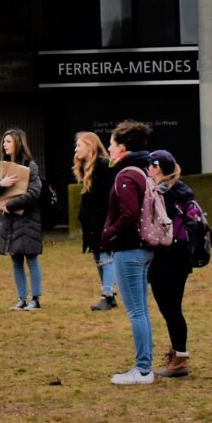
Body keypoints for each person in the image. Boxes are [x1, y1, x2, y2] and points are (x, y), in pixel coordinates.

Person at [100, 121, 160, 386]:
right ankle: (144, 366)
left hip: (129, 249)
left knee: (136, 312)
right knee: (142, 310)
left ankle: (143, 370)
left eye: (111, 144)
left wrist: (108, 235)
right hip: (144, 249)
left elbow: (129, 214)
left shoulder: (125, 175)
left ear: (121, 147)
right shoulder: (143, 171)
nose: (109, 150)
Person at [147, 152, 202, 379]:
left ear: (157, 168)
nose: (148, 169)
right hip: (182, 259)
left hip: (164, 259)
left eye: (150, 166)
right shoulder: (181, 190)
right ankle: (177, 353)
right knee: (174, 309)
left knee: (170, 310)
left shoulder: (162, 194)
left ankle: (179, 360)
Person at [0, 134, 46, 311]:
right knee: (15, 260)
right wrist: (2, 184)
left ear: (17, 144)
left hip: (28, 220)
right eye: (4, 141)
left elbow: (35, 192)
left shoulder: (30, 165)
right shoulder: (4, 168)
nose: (4, 145)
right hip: (11, 222)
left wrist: (11, 205)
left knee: (31, 259)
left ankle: (35, 300)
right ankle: (21, 298)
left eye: (8, 141)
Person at [73, 132, 122, 312]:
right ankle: (109, 295)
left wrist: (107, 221)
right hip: (92, 223)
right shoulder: (87, 168)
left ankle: (107, 295)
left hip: (102, 221)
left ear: (90, 146)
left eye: (79, 145)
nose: (76, 149)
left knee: (105, 257)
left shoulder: (103, 165)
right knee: (98, 257)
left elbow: (109, 196)